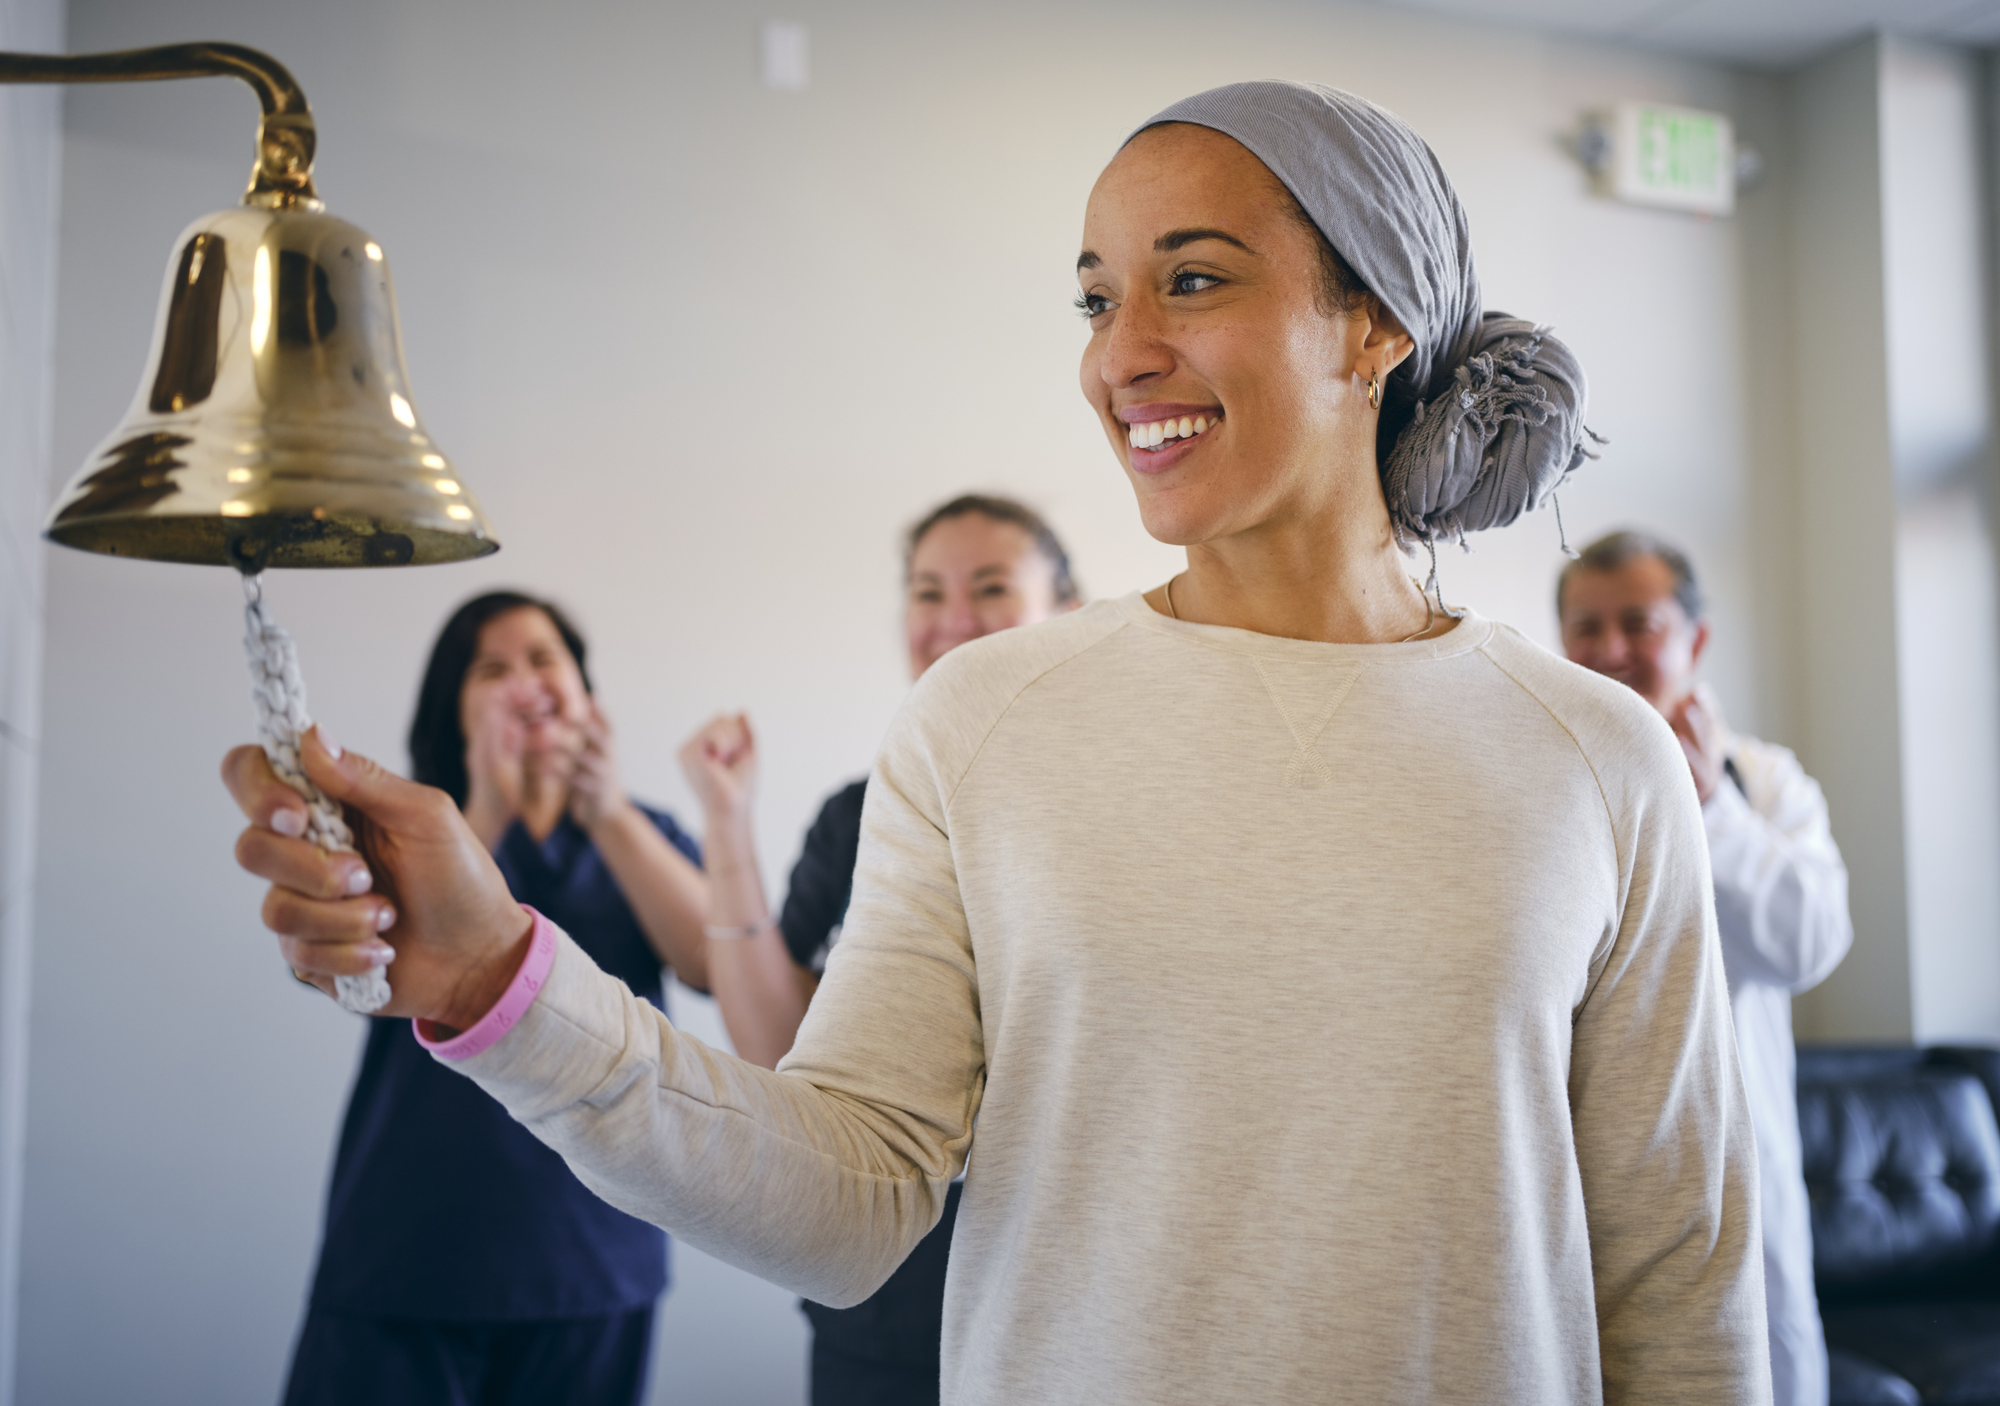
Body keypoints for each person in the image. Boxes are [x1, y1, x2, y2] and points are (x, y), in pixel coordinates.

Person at [228, 81, 1771, 1405]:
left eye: (1196, 281)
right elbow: (849, 1196)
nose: (1122, 356)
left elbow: (1682, 1287)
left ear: (1373, 324)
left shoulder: (1595, 757)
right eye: (1100, 298)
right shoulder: (988, 721)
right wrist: (505, 977)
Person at [678, 493, 1080, 1405]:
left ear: (1068, 612)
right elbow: (776, 1050)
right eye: (927, 592)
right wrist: (727, 825)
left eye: (989, 587)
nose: (952, 620)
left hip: (1069, 1315)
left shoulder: (1118, 808)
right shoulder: (857, 817)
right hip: (881, 1315)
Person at [278, 591, 711, 1406]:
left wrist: (607, 812)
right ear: (456, 708)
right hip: (408, 1249)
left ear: (587, 694)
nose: (525, 683)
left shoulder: (646, 834)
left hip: (595, 1258)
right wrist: (486, 805)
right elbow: (356, 964)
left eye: (545, 660)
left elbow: (710, 963)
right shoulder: (405, 835)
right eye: (492, 668)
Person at [1559, 530, 1851, 1406]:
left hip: (1742, 1170)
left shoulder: (1763, 785)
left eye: (1637, 624)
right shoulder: (1544, 782)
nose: (1610, 651)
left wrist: (1710, 806)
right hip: (1582, 1172)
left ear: (1696, 639)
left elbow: (1811, 944)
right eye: (1586, 627)